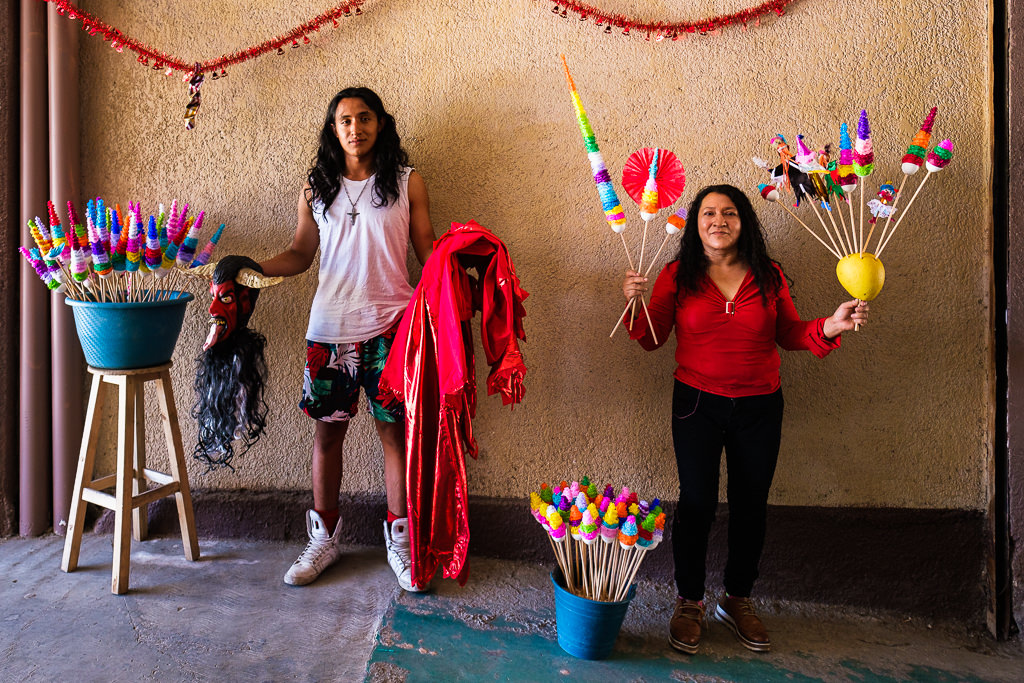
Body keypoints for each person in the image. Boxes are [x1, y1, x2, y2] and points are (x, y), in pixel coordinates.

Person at [621, 184, 867, 654]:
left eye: (729, 213)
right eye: (709, 213)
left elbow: (790, 333)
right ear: (696, 224)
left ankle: (737, 600)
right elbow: (651, 338)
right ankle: (689, 601)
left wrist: (832, 325)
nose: (719, 221)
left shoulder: (768, 275)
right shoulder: (676, 275)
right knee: (696, 503)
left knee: (751, 504)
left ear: (744, 222)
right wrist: (632, 300)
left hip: (759, 405)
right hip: (695, 403)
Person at [259, 87, 436, 590]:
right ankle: (324, 541)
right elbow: (298, 253)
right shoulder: (316, 188)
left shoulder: (407, 182)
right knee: (327, 436)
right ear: (333, 130)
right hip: (330, 333)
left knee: (395, 436)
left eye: (364, 118)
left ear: (380, 123)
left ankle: (401, 545)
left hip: (392, 329)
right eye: (344, 121)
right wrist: (249, 267)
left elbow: (428, 251)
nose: (355, 128)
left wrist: (467, 267)